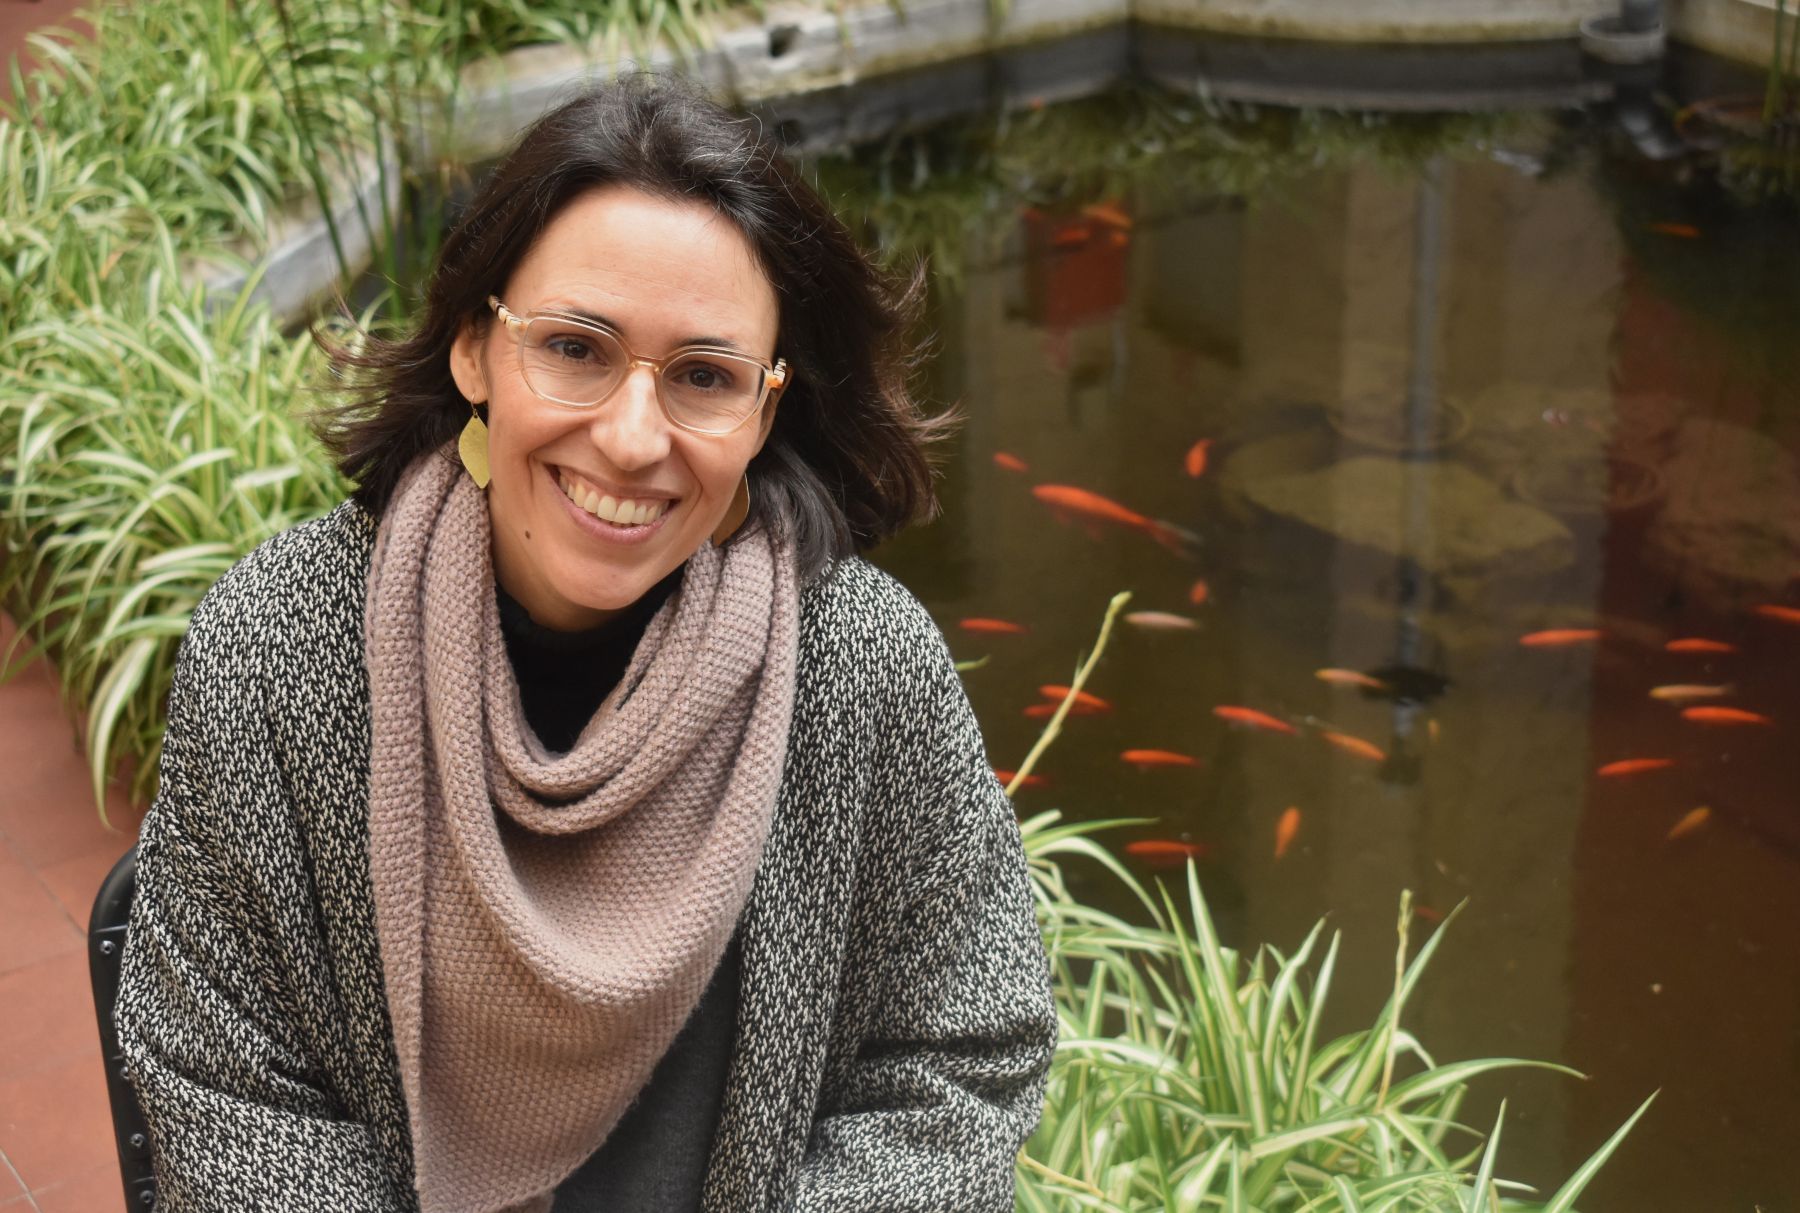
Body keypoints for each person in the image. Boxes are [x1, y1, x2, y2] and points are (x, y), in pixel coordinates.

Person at [113, 72, 1057, 1213]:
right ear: (475, 348)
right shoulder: (278, 652)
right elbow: (228, 1088)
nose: (629, 436)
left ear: (763, 413)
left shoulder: (861, 663)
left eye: (705, 376)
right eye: (574, 348)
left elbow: (965, 1047)